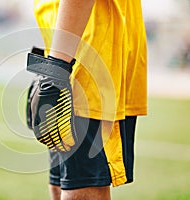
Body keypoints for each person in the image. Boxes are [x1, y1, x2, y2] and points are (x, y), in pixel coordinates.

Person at [32, 0, 147, 199]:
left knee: (79, 190)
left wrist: (55, 72)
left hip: (90, 54)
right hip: (67, 48)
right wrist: (46, 67)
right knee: (60, 186)